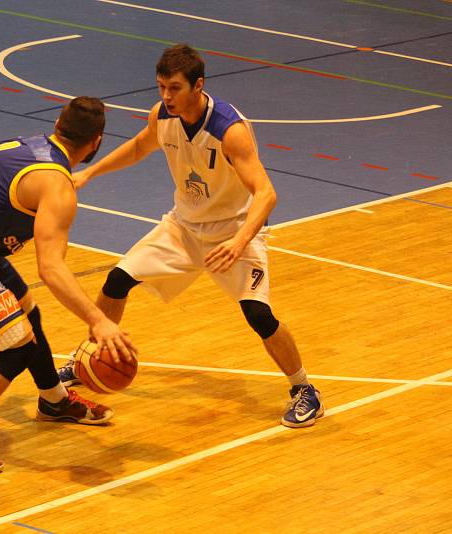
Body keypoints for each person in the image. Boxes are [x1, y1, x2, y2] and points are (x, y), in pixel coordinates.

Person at [58, 44, 324, 428]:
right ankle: (92, 353)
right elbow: (138, 148)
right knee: (116, 282)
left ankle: (304, 390)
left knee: (258, 314)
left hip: (234, 231)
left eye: (175, 88)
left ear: (198, 85)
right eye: (161, 87)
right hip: (182, 227)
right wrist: (88, 173)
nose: (166, 96)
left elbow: (266, 194)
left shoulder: (228, 130)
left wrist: (238, 242)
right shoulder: (162, 115)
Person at [0, 97, 137, 474]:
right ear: (97, 141)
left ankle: (54, 400)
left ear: (58, 123)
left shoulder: (23, 146)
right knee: (15, 347)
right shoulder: (58, 186)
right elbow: (50, 267)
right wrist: (99, 320)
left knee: (29, 311)